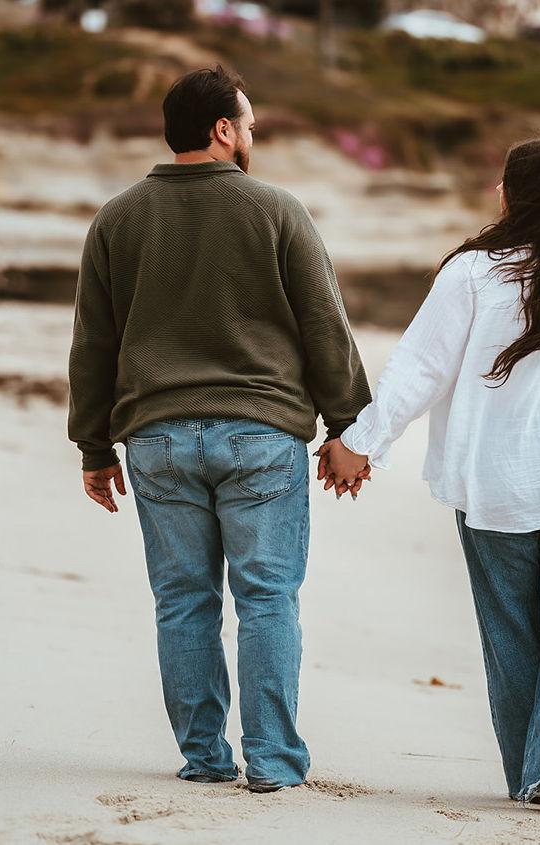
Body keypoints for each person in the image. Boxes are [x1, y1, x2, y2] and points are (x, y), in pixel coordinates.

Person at [318, 136, 540, 816]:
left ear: (512, 196)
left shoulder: (473, 273)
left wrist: (359, 446)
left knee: (511, 635)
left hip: (493, 481)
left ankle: (535, 778)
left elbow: (419, 370)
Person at [67, 66, 371, 791]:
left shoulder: (117, 217)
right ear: (222, 129)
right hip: (259, 436)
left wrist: (93, 445)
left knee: (183, 600)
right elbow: (323, 324)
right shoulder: (276, 209)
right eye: (250, 124)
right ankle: (270, 760)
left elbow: (94, 343)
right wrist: (347, 427)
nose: (253, 136)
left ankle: (204, 756)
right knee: (266, 597)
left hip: (158, 439)